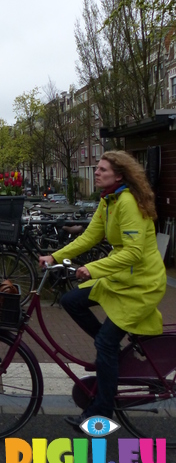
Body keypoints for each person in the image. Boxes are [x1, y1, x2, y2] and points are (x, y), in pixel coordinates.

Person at [39, 151, 166, 429]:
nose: (96, 172)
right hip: (121, 279)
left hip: (140, 284)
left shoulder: (128, 203)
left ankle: (102, 410)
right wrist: (55, 257)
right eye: (96, 168)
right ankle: (112, 357)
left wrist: (94, 269)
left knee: (105, 343)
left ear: (119, 175)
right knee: (72, 300)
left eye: (103, 169)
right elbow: (90, 237)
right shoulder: (110, 200)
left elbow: (133, 253)